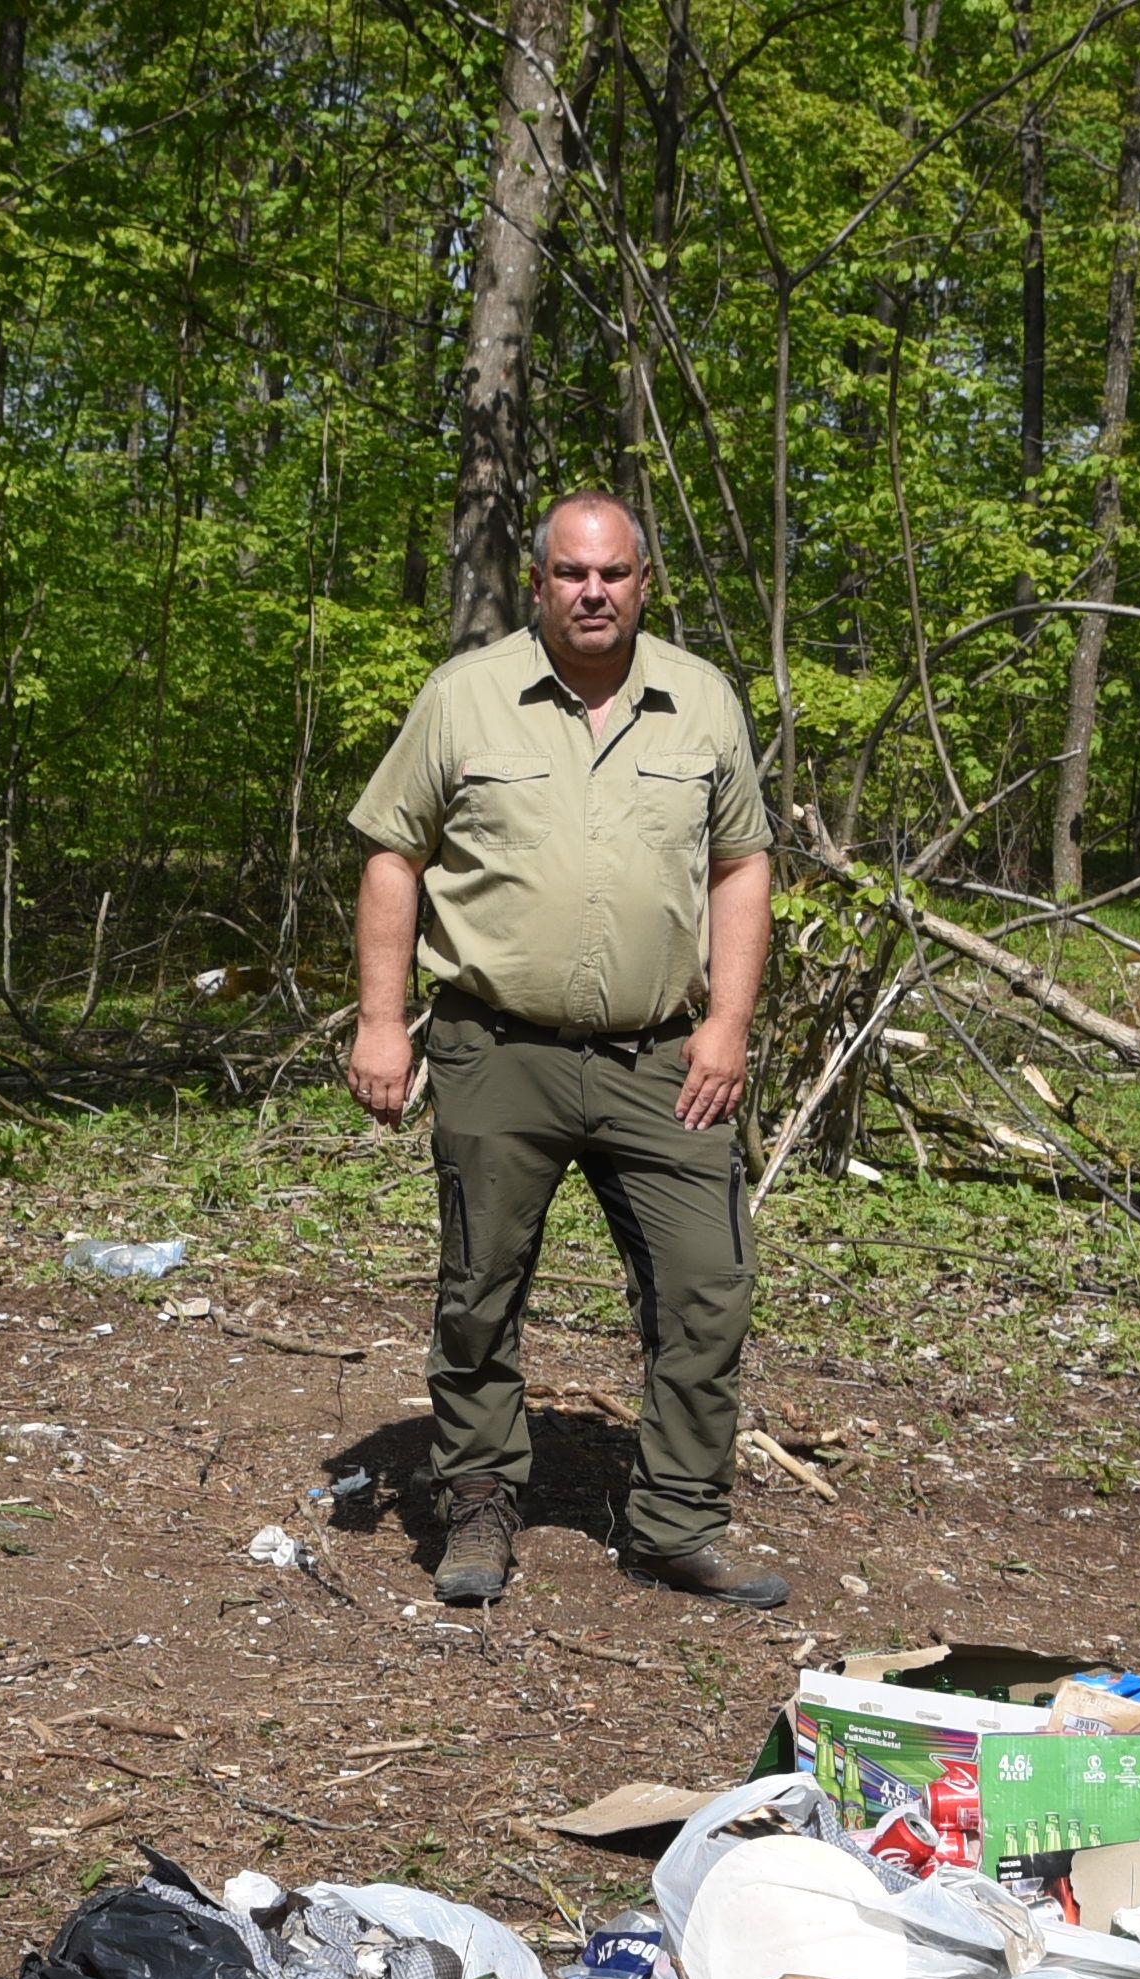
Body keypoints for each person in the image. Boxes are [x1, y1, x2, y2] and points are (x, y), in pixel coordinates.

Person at [345, 491, 786, 1610]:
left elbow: (742, 864)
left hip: (664, 1057)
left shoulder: (702, 702)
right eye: (572, 573)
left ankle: (676, 1517)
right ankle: (481, 1502)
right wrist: (381, 1017)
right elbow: (394, 855)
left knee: (707, 1286)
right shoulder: (466, 698)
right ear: (538, 582)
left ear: (645, 582)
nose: (595, 591)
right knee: (480, 1288)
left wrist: (728, 1023)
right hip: (499, 1048)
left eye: (616, 573)